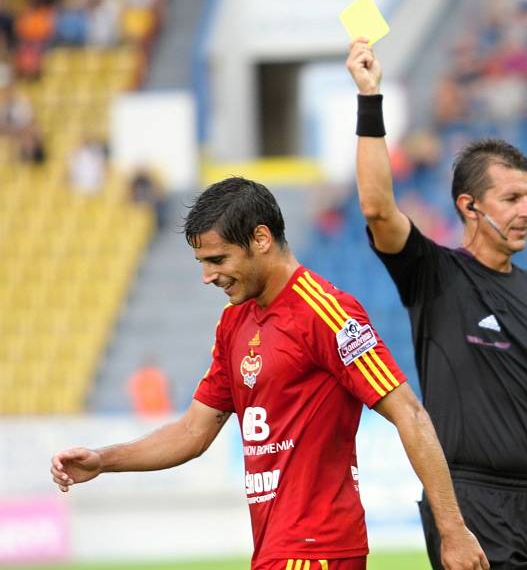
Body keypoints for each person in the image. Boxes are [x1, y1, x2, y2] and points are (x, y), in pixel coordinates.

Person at [50, 177, 488, 570]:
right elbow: (191, 433)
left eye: (218, 259)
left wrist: (452, 530)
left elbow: (409, 413)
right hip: (277, 548)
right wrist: (104, 460)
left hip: (316, 548)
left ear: (260, 238)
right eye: (202, 262)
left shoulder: (327, 312)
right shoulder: (233, 322)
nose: (207, 276)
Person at [347, 38, 527, 570]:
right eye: (513, 199)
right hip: (474, 501)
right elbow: (378, 208)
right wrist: (370, 98)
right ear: (468, 206)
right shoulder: (436, 274)